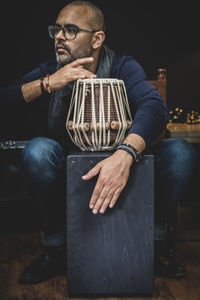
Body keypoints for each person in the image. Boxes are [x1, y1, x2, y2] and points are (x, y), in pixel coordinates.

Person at [0, 0, 197, 285]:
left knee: (180, 152)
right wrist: (47, 83)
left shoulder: (123, 66)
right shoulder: (50, 70)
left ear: (97, 38)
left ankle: (154, 245)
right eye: (56, 30)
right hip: (69, 169)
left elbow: (155, 107)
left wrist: (126, 152)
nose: (59, 37)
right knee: (39, 151)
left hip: (125, 166)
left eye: (70, 30)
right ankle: (55, 248)